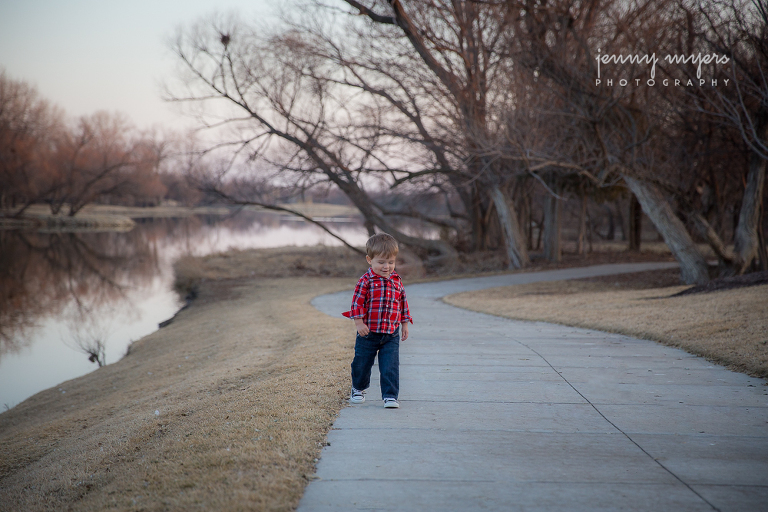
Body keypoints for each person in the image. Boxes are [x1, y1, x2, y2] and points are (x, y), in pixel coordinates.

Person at [342, 233, 413, 409]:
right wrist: (359, 323)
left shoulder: (396, 281)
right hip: (368, 333)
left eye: (391, 262)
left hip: (391, 333)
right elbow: (357, 303)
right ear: (369, 260)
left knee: (390, 366)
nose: (386, 267)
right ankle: (358, 389)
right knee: (362, 363)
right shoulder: (366, 281)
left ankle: (390, 396)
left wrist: (404, 324)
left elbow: (402, 303)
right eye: (381, 262)